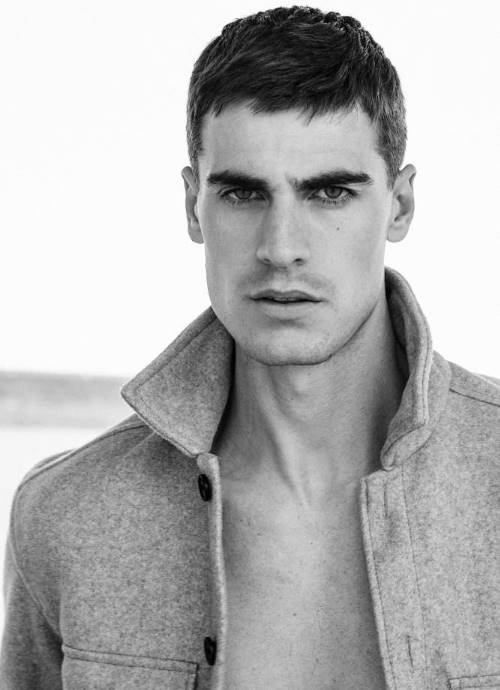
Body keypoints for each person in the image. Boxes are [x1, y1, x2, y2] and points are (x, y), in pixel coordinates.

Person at [1, 6, 499, 689]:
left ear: (400, 205)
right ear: (192, 206)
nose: (281, 248)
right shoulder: (68, 513)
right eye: (243, 193)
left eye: (330, 192)